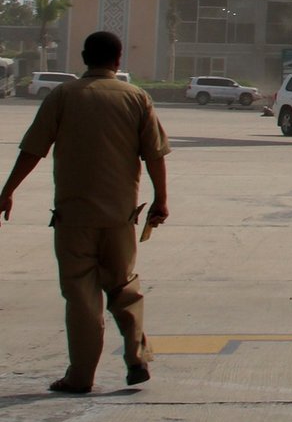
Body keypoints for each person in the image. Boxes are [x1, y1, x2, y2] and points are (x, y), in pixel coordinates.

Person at [0, 31, 169, 393]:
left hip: (74, 216)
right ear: (118, 59)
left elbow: (34, 149)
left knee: (81, 295)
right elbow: (153, 153)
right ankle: (136, 357)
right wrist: (161, 200)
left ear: (83, 57)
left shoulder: (64, 95)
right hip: (120, 215)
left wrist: (8, 190)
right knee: (124, 287)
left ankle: (81, 376)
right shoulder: (137, 98)